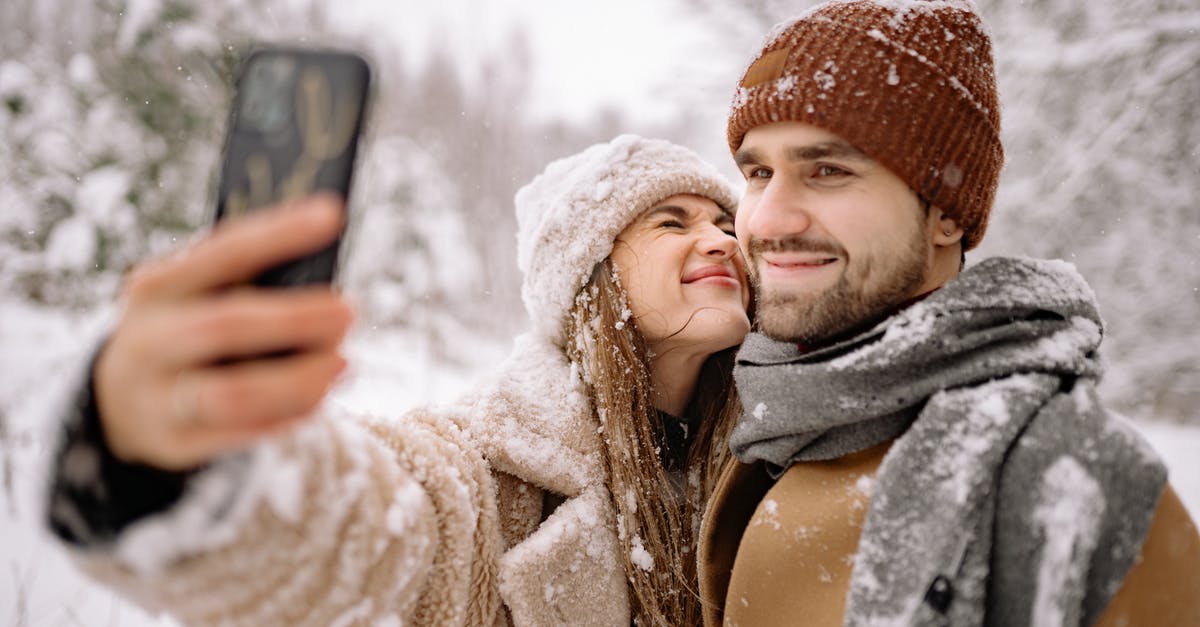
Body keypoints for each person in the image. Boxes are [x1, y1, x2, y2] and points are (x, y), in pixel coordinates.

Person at [44, 135, 752, 625]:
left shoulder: (770, 455)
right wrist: (159, 455)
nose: (721, 239)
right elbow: (364, 536)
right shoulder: (496, 468)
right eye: (673, 221)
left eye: (726, 221)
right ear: (589, 276)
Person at [696, 1, 1200, 626]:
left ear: (948, 214)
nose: (768, 219)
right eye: (758, 173)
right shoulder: (762, 435)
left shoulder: (1075, 478)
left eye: (827, 170)